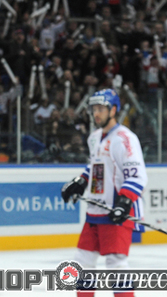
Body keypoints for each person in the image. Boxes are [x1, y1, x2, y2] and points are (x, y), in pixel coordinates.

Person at [61, 89, 148, 297]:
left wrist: (124, 202)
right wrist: (82, 180)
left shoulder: (125, 138)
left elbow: (137, 175)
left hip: (116, 210)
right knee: (83, 262)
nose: (96, 113)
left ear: (114, 110)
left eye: (101, 109)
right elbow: (96, 165)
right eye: (94, 109)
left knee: (116, 265)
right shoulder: (94, 138)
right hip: (96, 209)